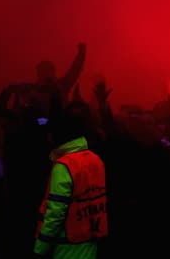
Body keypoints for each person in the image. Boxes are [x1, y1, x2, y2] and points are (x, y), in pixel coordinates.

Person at [34, 105, 107, 258]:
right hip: (90, 243)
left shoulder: (64, 165)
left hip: (64, 246)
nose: (48, 136)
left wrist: (40, 249)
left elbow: (55, 213)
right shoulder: (95, 159)